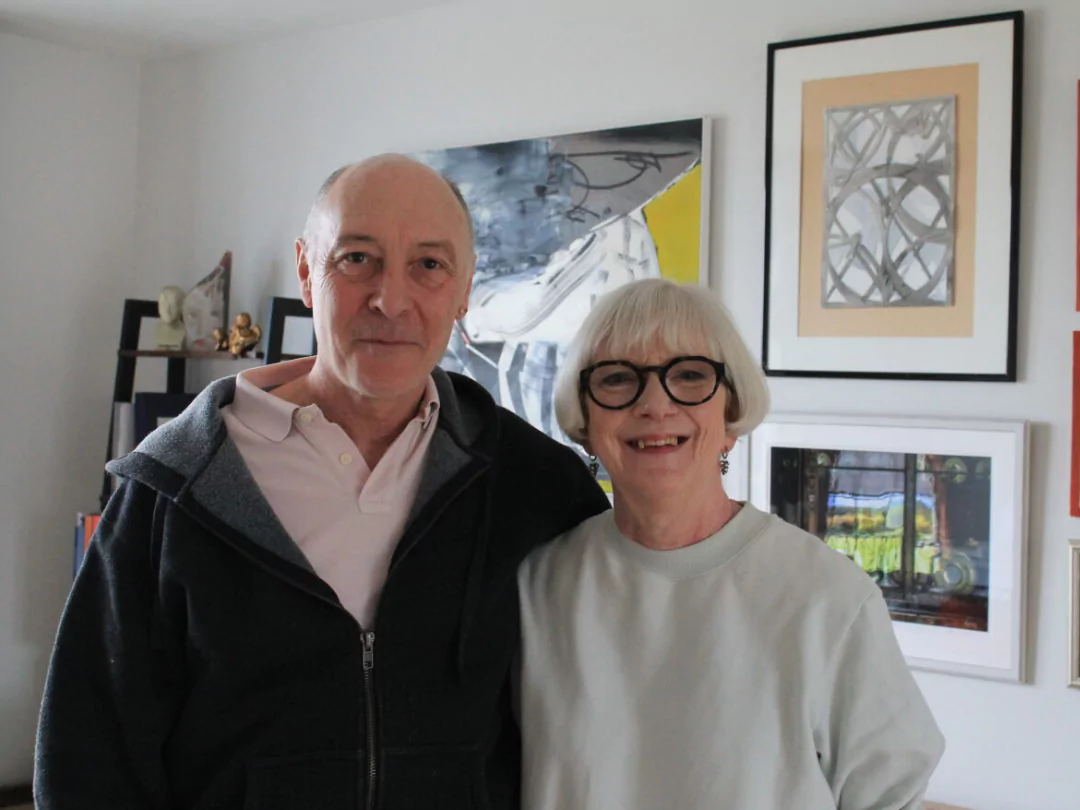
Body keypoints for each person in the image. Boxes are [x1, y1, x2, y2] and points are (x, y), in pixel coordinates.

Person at [36, 155, 610, 810]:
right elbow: (89, 757)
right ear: (307, 271)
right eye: (358, 259)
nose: (391, 299)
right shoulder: (171, 492)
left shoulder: (533, 485)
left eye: (428, 265)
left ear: (463, 291)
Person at [517, 278, 944, 809]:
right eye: (618, 379)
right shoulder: (535, 587)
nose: (655, 404)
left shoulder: (827, 598)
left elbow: (891, 797)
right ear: (584, 419)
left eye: (690, 375)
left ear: (731, 414)